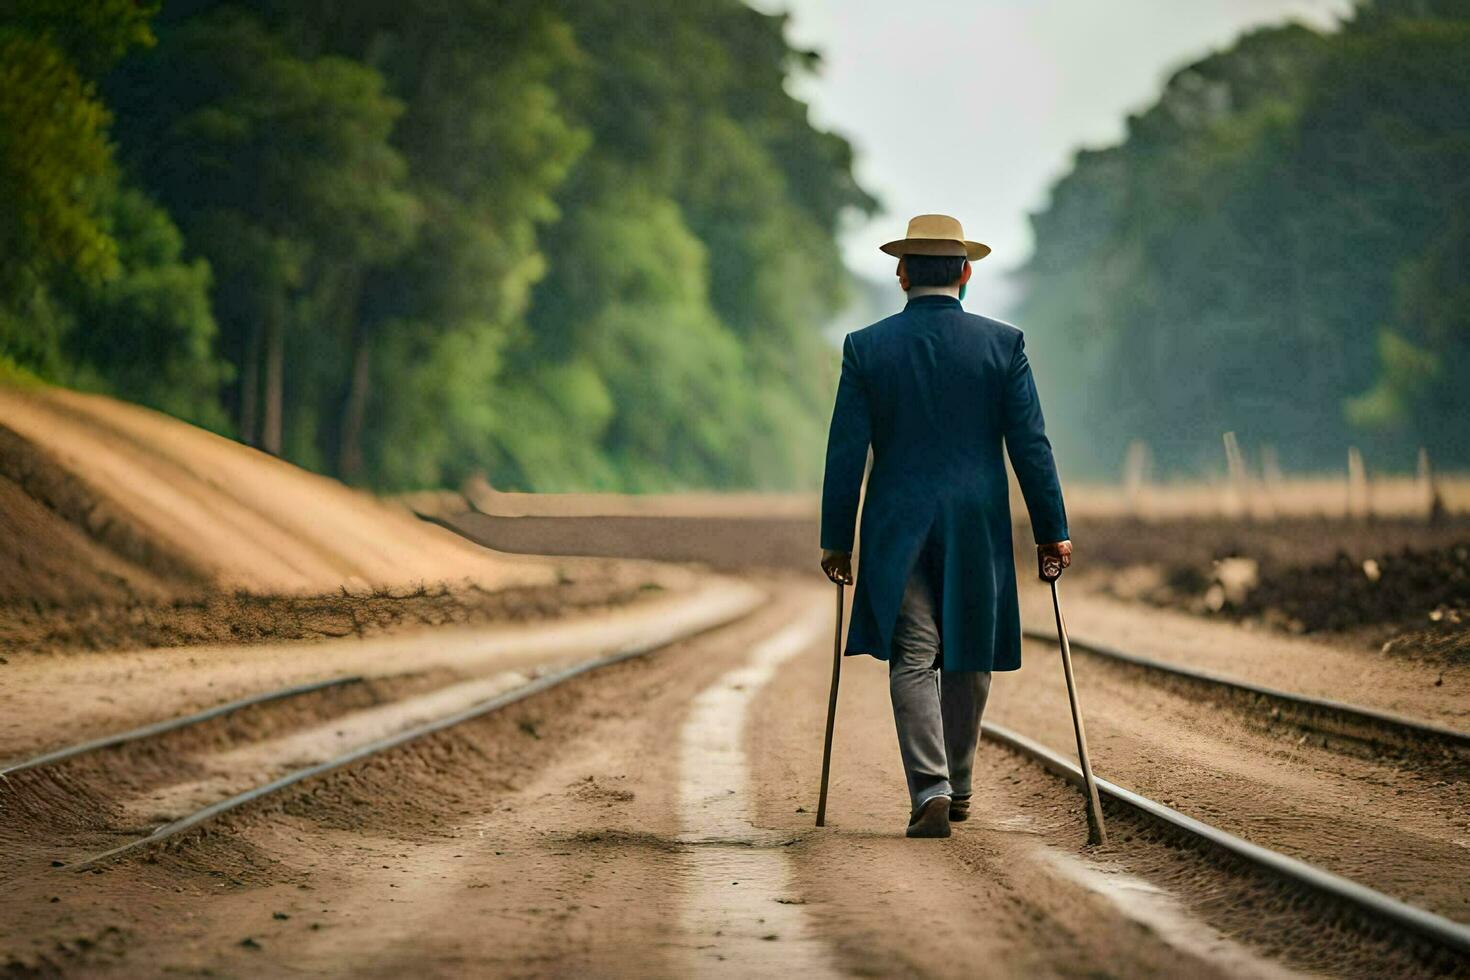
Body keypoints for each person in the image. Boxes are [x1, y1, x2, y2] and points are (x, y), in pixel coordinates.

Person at [819, 214, 1072, 839]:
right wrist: (1051, 529)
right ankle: (957, 784)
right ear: (966, 274)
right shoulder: (1002, 344)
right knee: (969, 652)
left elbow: (845, 453)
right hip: (977, 523)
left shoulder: (865, 347)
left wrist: (836, 537)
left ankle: (928, 786)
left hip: (893, 525)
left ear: (901, 274)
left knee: (913, 653)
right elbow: (1030, 445)